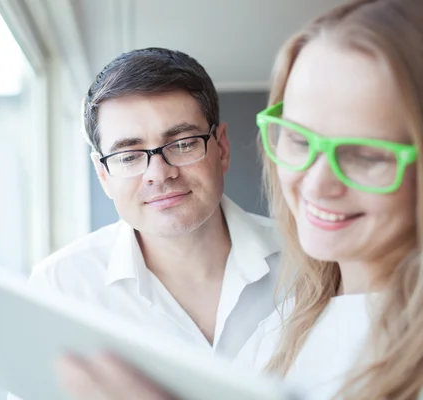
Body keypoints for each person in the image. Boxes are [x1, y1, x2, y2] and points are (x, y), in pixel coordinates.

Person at [55, 0, 423, 399]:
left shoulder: (292, 290)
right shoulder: (288, 327)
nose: (317, 185)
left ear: (222, 147)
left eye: (366, 154)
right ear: (103, 174)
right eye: (299, 140)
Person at [26, 48, 282, 358]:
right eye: (129, 156)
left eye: (183, 144)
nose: (159, 174)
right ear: (103, 174)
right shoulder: (61, 287)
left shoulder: (308, 263)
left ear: (222, 148)